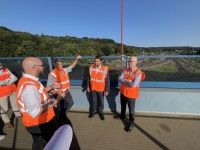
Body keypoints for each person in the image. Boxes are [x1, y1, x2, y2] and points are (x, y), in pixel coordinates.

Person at [16, 57, 67, 150]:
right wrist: (58, 99)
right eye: (42, 66)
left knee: (40, 142)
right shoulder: (30, 87)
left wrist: (51, 86)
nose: (43, 67)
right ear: (35, 68)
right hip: (39, 124)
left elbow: (38, 93)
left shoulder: (28, 80)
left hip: (40, 122)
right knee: (44, 144)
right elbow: (35, 111)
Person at [47, 55, 82, 125]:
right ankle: (61, 120)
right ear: (54, 65)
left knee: (70, 103)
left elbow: (72, 66)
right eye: (57, 64)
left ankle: (62, 116)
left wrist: (76, 59)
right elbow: (48, 87)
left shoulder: (65, 70)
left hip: (66, 92)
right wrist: (56, 94)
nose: (59, 65)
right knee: (61, 107)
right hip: (59, 94)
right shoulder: (52, 74)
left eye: (60, 64)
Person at [115, 56, 145, 132]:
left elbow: (134, 84)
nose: (129, 63)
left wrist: (124, 81)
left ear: (136, 63)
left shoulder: (138, 73)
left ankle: (131, 123)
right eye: (129, 61)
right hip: (123, 92)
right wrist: (128, 81)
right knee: (123, 106)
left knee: (131, 110)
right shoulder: (125, 70)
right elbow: (119, 79)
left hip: (131, 94)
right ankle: (122, 116)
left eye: (131, 61)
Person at [87, 55, 110, 120]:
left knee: (101, 102)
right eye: (95, 61)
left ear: (101, 61)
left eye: (97, 61)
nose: (95, 62)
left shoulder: (105, 69)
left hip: (101, 89)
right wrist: (88, 86)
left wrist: (107, 90)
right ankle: (93, 111)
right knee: (94, 101)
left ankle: (101, 112)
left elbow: (107, 80)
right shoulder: (91, 67)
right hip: (93, 88)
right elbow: (88, 77)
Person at [0, 62, 21, 129]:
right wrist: (9, 80)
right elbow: (0, 83)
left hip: (12, 90)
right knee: (4, 108)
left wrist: (6, 82)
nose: (1, 65)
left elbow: (15, 78)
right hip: (2, 93)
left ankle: (18, 115)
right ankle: (7, 122)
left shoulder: (6, 70)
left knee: (15, 103)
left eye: (0, 64)